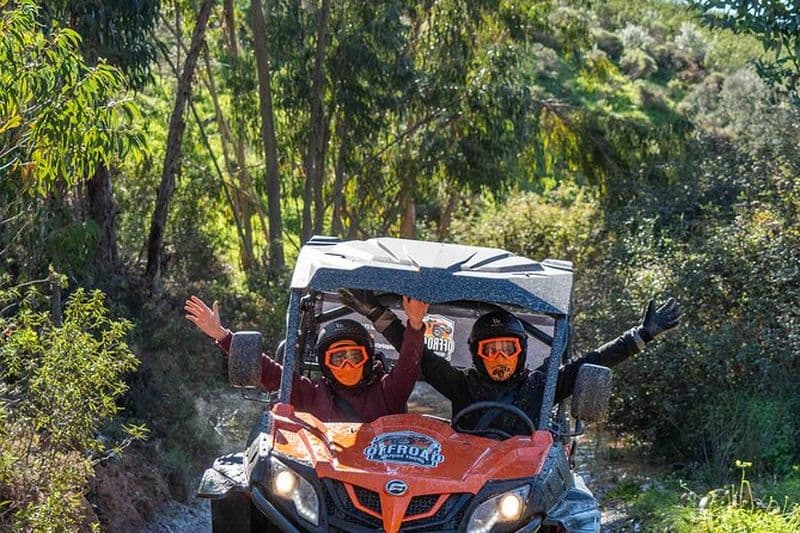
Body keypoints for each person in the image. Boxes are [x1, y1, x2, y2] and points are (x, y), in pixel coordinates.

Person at [339, 289, 682, 435]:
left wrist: (642, 334)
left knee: (576, 514)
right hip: (469, 481)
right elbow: (419, 356)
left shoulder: (541, 385)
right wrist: (378, 314)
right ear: (477, 355)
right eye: (491, 350)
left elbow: (594, 361)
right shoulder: (463, 385)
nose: (500, 358)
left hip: (523, 481)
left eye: (508, 349)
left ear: (521, 353)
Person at [184, 294, 429, 423]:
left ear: (367, 359)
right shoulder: (312, 394)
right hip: (319, 494)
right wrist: (222, 335)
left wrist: (416, 324)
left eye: (354, 356)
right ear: (326, 365)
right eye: (337, 358)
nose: (346, 365)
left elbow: (408, 364)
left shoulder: (388, 391)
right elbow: (270, 374)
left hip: (384, 486)